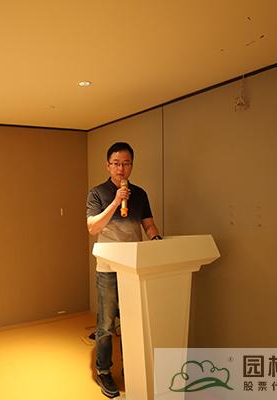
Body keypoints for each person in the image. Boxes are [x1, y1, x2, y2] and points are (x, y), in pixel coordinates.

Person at [86, 142, 161, 398]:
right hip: (107, 267)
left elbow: (148, 225)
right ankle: (103, 370)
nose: (121, 168)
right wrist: (116, 201)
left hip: (134, 267)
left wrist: (156, 239)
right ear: (108, 166)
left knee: (132, 321)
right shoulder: (97, 193)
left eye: (126, 163)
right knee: (107, 323)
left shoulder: (140, 194)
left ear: (132, 165)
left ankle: (132, 366)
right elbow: (93, 228)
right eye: (116, 163)